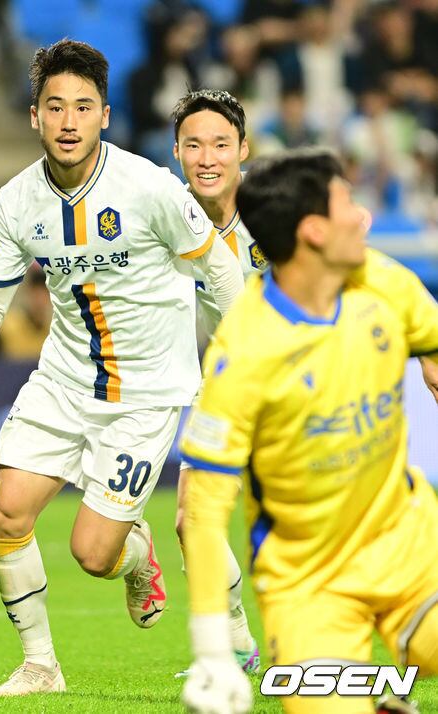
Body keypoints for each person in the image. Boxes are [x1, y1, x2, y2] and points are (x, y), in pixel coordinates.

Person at [0, 39, 244, 698]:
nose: (69, 121)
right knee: (4, 515)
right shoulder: (16, 201)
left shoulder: (150, 188)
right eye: (55, 107)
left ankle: (136, 558)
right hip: (63, 380)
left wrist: (250, 345)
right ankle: (40, 667)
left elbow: (220, 270)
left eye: (83, 107)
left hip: (147, 394)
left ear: (105, 115)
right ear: (34, 117)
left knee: (93, 554)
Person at [179, 147, 438, 714]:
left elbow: (433, 335)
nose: (364, 217)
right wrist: (213, 652)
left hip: (410, 545)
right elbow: (203, 508)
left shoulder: (382, 282)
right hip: (307, 584)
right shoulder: (242, 356)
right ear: (314, 232)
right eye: (347, 203)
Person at [171, 88, 266, 675]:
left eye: (221, 145)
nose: (207, 159)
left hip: (293, 387)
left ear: (243, 150)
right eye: (194, 145)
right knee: (192, 522)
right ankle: (235, 643)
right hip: (220, 388)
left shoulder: (275, 211)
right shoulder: (162, 214)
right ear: (176, 151)